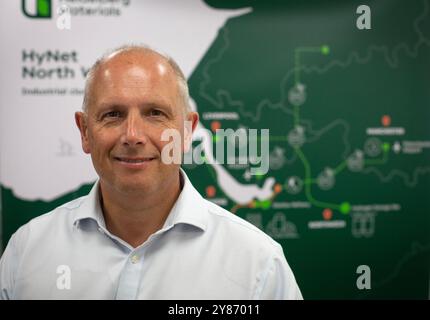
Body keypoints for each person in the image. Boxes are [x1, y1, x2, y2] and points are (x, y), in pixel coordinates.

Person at [0, 45, 302, 299]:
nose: (133, 135)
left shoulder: (259, 264)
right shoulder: (25, 253)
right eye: (113, 114)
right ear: (85, 132)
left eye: (155, 114)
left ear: (187, 132)